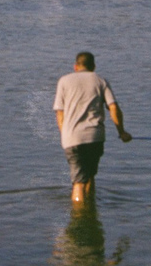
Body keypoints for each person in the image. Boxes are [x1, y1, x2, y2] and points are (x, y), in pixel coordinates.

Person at [54, 51, 130, 202]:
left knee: (78, 183)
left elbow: (60, 113)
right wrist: (122, 132)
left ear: (75, 66)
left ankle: (79, 214)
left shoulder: (64, 81)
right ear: (93, 66)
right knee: (90, 177)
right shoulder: (100, 80)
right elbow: (113, 107)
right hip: (95, 136)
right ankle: (90, 208)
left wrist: (65, 134)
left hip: (72, 138)